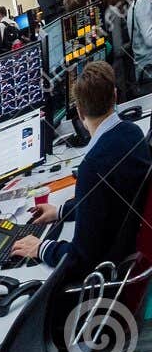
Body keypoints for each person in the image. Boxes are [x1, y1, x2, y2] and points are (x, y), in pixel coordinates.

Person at [12, 62, 150, 278]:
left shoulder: (92, 166)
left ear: (79, 110)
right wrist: (60, 212)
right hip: (134, 254)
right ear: (115, 96)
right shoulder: (133, 133)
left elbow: (82, 257)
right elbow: (102, 204)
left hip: (108, 275)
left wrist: (41, 248)